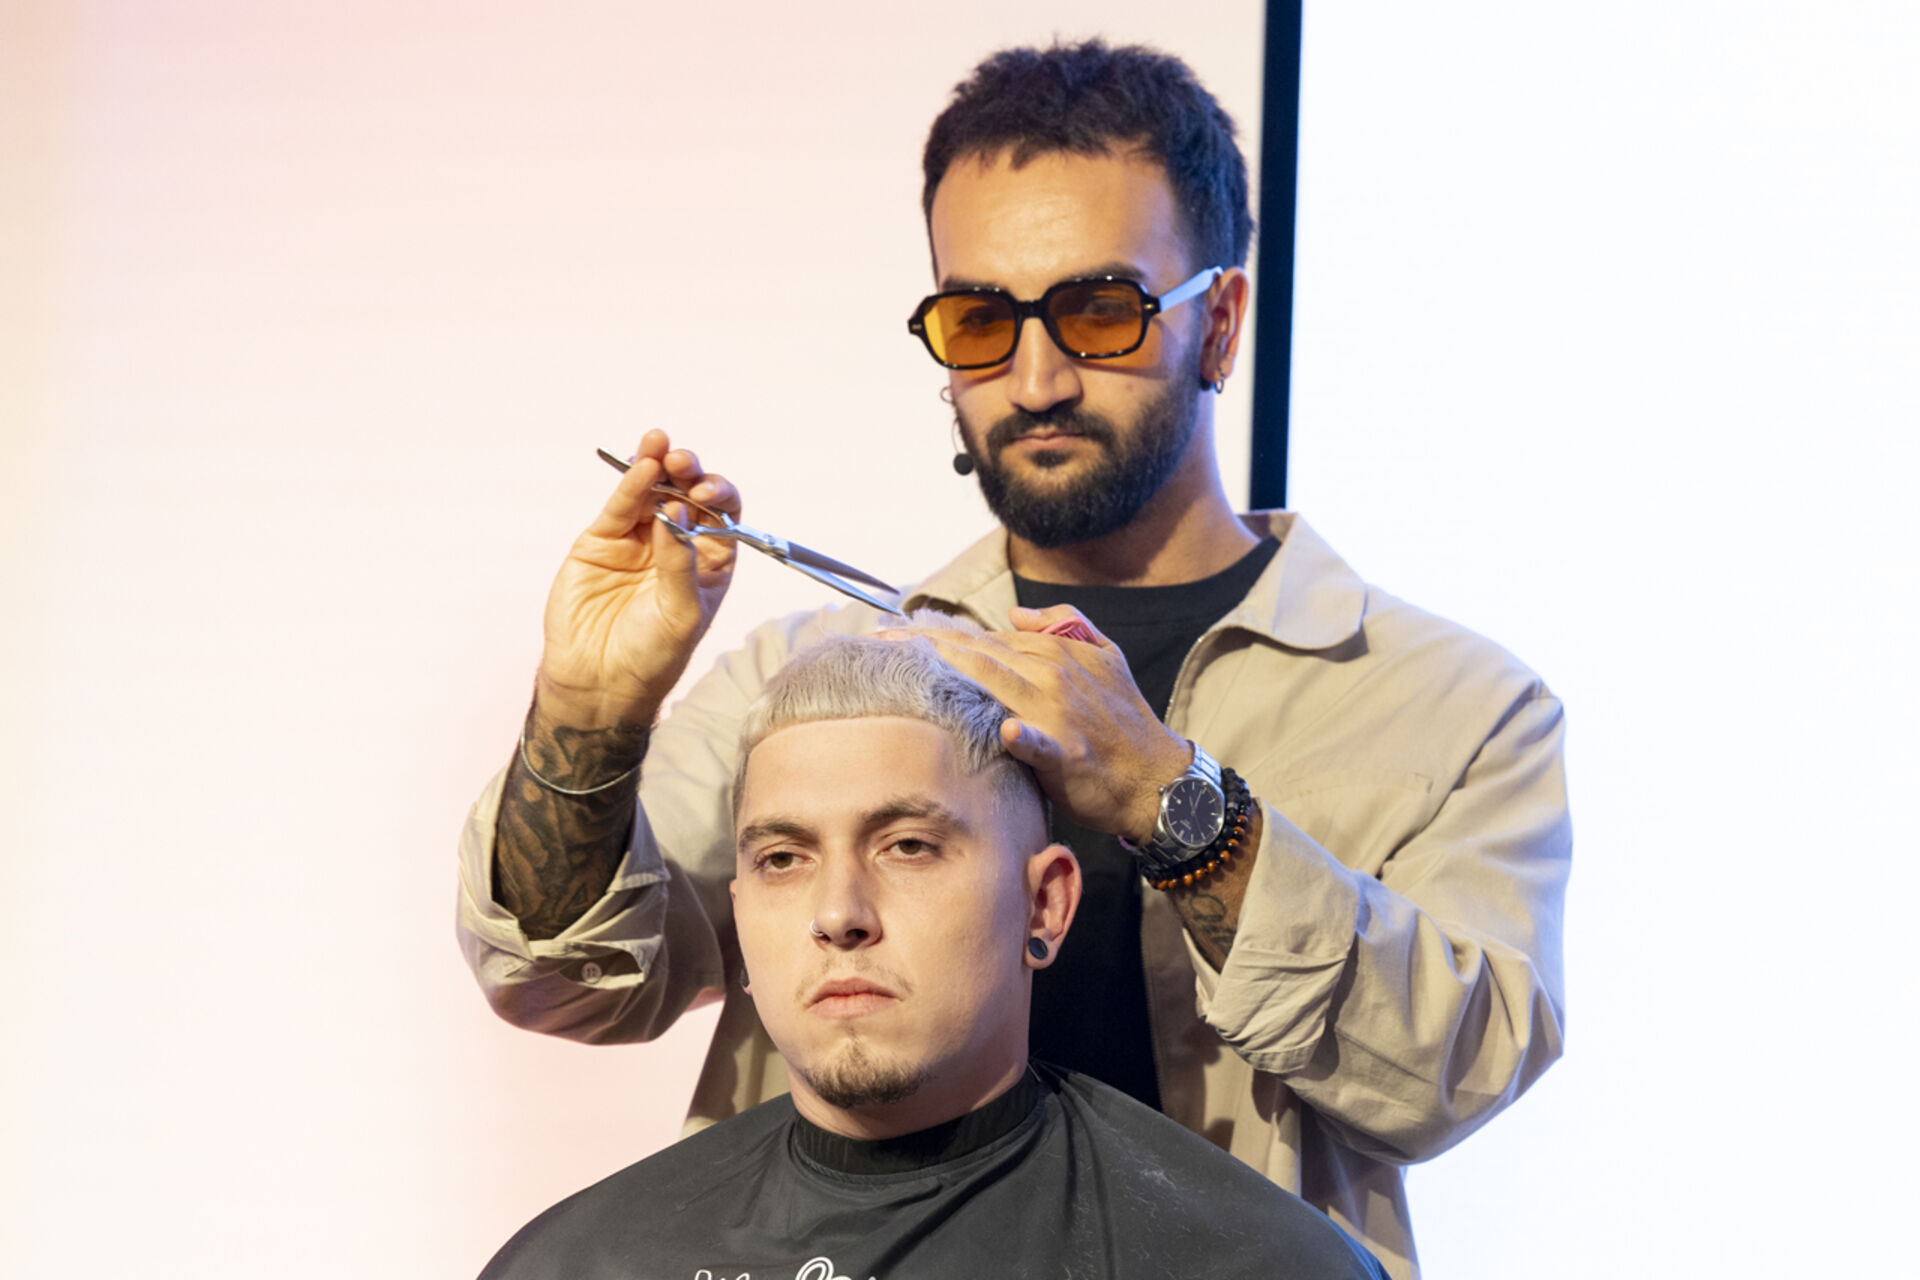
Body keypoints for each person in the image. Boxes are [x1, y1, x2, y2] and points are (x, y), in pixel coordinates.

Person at [458, 39, 1570, 1280]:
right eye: (981, 321)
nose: (1035, 380)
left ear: (1219, 323)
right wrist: (590, 711)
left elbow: (1450, 1076)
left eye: (1099, 310)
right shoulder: (815, 684)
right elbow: (563, 980)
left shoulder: (1454, 706)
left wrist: (1173, 799)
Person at [479, 633, 1389, 1279]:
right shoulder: (581, 1263)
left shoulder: (1252, 1261)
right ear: (741, 913)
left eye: (908, 847)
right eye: (783, 859)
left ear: (1045, 904)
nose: (838, 915)